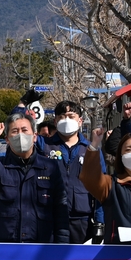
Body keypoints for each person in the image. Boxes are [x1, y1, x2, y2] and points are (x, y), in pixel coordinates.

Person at [0, 115, 69, 243]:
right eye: (15, 131)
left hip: (42, 245)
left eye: (25, 130)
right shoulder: (0, 164)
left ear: (35, 136)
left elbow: (60, 207)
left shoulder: (50, 166)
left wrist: (62, 243)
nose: (20, 135)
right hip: (9, 243)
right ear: (7, 139)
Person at [43, 100, 103, 244]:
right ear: (55, 121)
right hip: (49, 216)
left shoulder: (91, 149)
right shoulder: (44, 145)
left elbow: (101, 187)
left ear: (80, 121)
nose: (66, 120)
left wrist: (100, 221)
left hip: (81, 219)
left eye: (71, 116)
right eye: (62, 116)